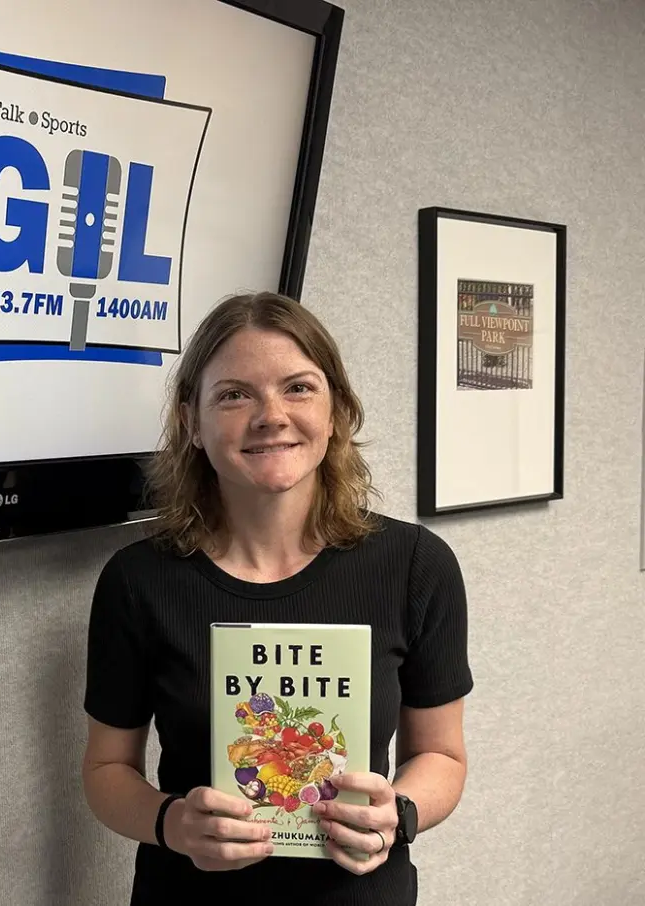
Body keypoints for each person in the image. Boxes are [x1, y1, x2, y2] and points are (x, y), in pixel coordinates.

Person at [81, 291, 473, 905]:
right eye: (234, 394)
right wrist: (172, 823)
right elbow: (106, 772)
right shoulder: (139, 581)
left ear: (337, 410)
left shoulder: (416, 566)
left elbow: (442, 755)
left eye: (298, 388)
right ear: (191, 420)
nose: (271, 415)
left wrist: (399, 813)